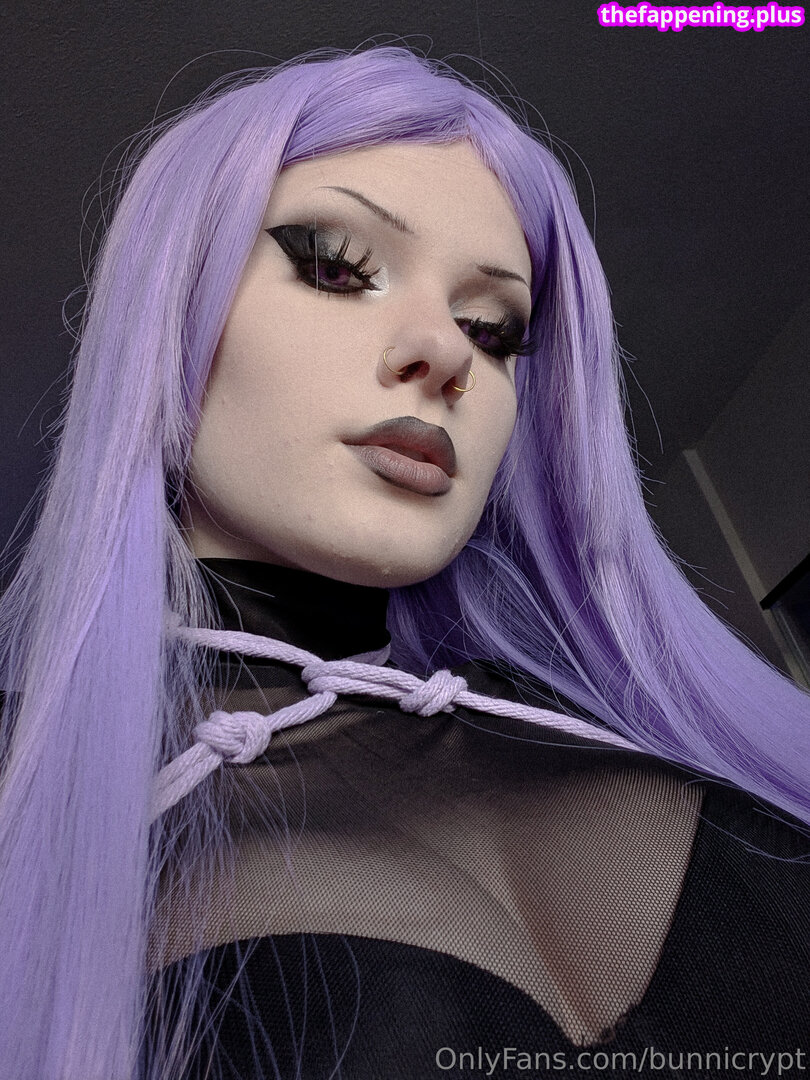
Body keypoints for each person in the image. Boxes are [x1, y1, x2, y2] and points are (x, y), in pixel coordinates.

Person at [0, 45, 807, 1080]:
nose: (448, 353)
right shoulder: (27, 792)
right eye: (337, 265)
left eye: (494, 329)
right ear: (170, 311)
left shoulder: (634, 728)